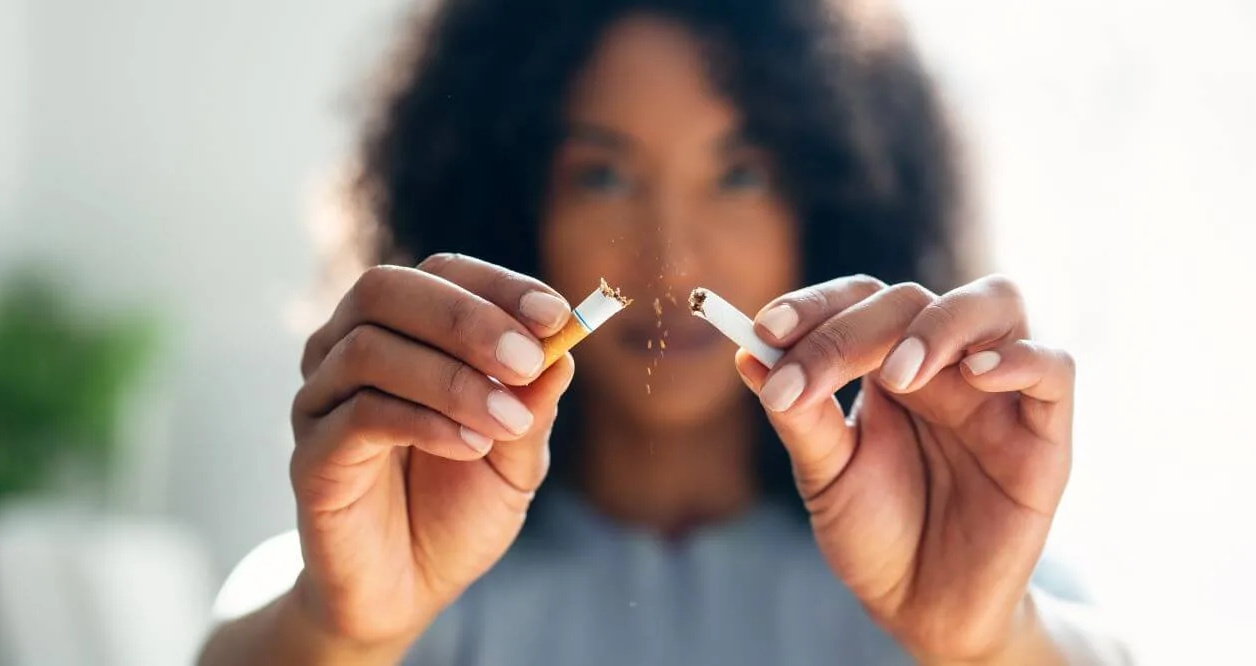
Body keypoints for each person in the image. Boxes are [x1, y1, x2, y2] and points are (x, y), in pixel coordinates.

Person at [199, 0, 1134, 663]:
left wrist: (986, 646)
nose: (672, 263)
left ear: (828, 207)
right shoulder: (370, 572)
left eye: (740, 175)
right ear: (512, 209)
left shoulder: (970, 571)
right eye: (602, 176)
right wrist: (341, 636)